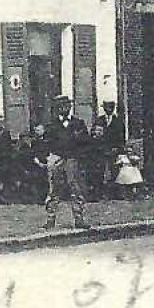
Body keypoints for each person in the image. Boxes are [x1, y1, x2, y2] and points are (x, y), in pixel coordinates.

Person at [41, 95, 91, 229]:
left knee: (76, 188)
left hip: (72, 160)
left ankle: (79, 218)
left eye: (68, 105)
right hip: (56, 158)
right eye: (62, 106)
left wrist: (78, 156)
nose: (65, 108)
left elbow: (86, 143)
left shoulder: (78, 123)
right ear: (57, 109)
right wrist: (50, 157)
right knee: (54, 190)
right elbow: (45, 143)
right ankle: (50, 219)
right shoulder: (51, 125)